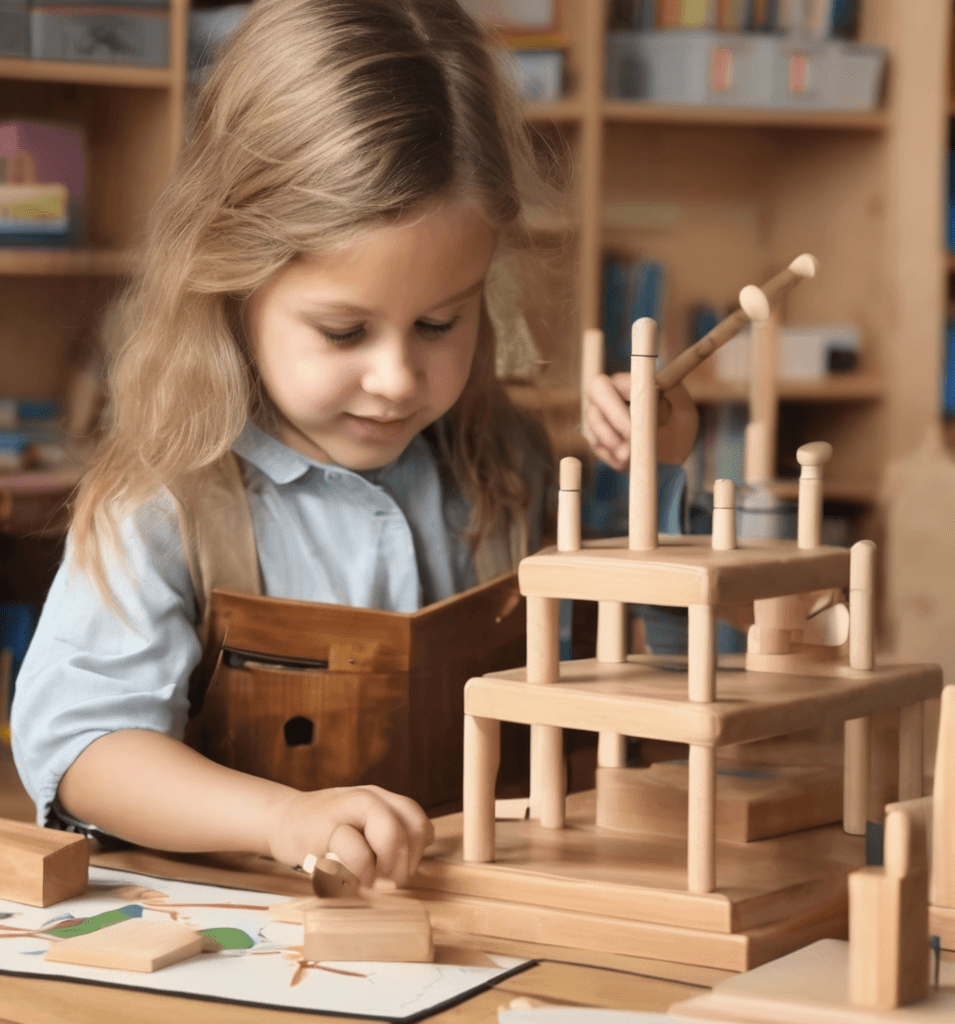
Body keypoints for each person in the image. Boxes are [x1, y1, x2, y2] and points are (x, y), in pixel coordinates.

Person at [11, 0, 698, 889]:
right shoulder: (165, 502)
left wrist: (661, 464)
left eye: (439, 322)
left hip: (486, 928)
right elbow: (83, 750)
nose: (397, 378)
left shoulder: (510, 463)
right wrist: (282, 817)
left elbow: (658, 668)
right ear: (232, 282)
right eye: (344, 332)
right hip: (251, 944)